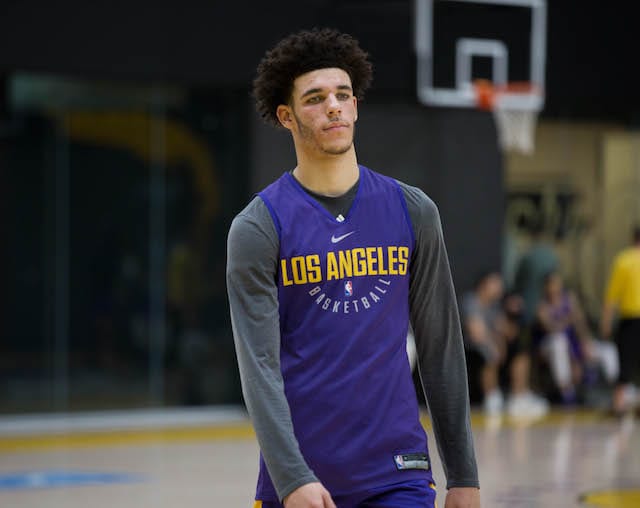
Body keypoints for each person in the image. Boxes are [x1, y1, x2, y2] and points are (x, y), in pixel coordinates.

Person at [226, 28, 480, 508]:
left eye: (343, 94)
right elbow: (258, 368)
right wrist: (291, 477)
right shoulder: (259, 228)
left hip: (398, 472)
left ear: (357, 105)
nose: (334, 107)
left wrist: (464, 474)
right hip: (301, 479)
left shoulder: (413, 210)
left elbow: (440, 349)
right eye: (315, 99)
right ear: (286, 116)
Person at [460, 271, 548, 417]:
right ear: (484, 285)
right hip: (469, 347)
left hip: (491, 344)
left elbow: (506, 330)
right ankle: (492, 398)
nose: (500, 287)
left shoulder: (495, 306)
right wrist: (496, 343)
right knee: (488, 350)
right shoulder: (471, 301)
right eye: (496, 283)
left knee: (520, 348)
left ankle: (519, 397)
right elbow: (476, 333)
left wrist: (514, 312)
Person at [601, 225, 640, 415]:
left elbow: (612, 296)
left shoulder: (624, 260)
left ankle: (618, 403)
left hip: (631, 317)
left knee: (625, 360)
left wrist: (606, 323)